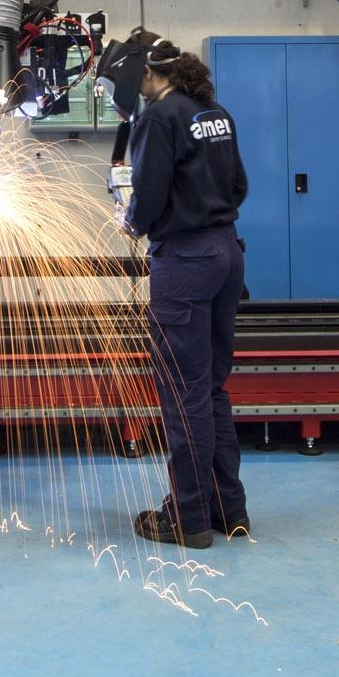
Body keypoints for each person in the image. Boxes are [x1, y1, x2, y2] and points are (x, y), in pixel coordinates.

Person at [102, 30, 251, 549]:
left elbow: (148, 196)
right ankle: (228, 511)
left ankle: (187, 519)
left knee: (184, 393)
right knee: (210, 389)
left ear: (144, 72)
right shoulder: (216, 113)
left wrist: (132, 221)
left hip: (185, 262)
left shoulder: (158, 118)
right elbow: (239, 187)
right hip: (226, 252)